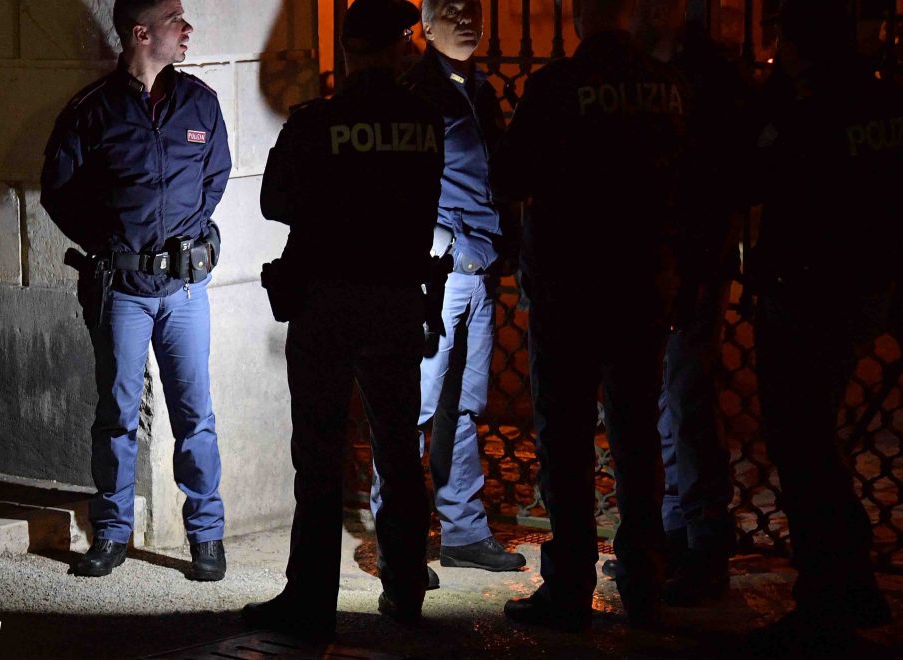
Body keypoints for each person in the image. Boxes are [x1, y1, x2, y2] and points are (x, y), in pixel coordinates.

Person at [241, 0, 444, 641]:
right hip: (394, 300)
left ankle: (310, 602)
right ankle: (405, 590)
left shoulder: (317, 122)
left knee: (319, 455)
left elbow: (275, 201)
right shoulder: (423, 121)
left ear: (348, 50)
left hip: (326, 304)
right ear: (397, 48)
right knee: (398, 451)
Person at [490, 0, 690, 631]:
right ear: (629, 15)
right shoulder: (664, 86)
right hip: (641, 282)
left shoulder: (558, 84)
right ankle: (644, 580)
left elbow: (510, 173)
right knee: (637, 436)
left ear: (579, 18)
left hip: (569, 285)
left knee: (566, 437)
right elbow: (691, 179)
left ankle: (570, 584)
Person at [40, 0, 232, 580]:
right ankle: (111, 534)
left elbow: (216, 175)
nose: (187, 29)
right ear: (141, 33)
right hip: (121, 290)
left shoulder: (199, 102)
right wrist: (111, 244)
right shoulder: (92, 110)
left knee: (195, 415)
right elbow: (58, 190)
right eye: (176, 20)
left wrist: (188, 239)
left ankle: (206, 536)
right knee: (118, 415)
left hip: (184, 291)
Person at [743, 0, 899, 652]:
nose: (776, 46)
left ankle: (825, 604)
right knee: (818, 447)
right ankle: (853, 583)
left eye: (784, 34)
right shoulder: (878, 100)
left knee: (803, 451)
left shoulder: (809, 110)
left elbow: (760, 178)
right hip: (858, 292)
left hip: (806, 296)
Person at [601, 0, 752, 606]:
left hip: (690, 259)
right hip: (658, 259)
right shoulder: (660, 78)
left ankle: (703, 546)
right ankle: (674, 536)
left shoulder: (700, 79)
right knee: (664, 398)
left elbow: (721, 177)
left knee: (685, 400)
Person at [368, 0, 526, 579]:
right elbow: (398, 183)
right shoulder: (418, 91)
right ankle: (400, 543)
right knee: (414, 407)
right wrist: (442, 245)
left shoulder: (476, 89)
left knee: (462, 406)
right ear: (427, 28)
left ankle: (463, 532)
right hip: (440, 271)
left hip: (475, 269)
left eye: (473, 6)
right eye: (452, 8)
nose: (468, 16)